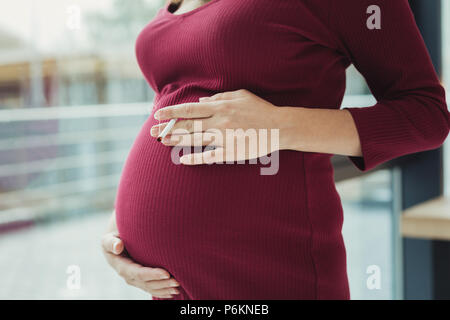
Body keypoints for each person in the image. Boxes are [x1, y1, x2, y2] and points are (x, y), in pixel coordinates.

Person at [102, 0, 450, 299]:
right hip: (173, 287)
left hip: (270, 275)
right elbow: (177, 105)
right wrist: (123, 233)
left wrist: (276, 125)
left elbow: (426, 116)